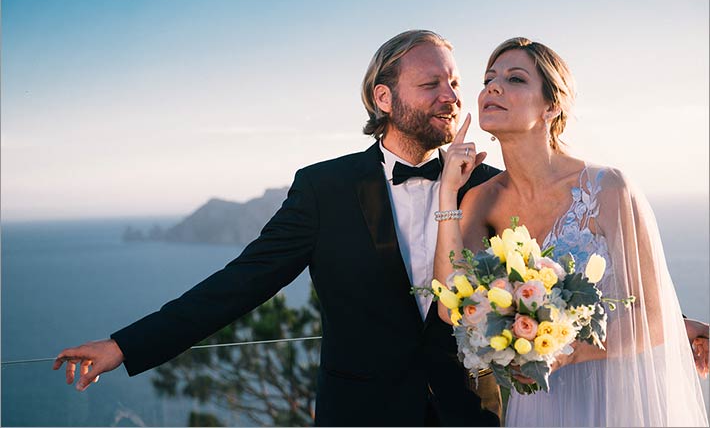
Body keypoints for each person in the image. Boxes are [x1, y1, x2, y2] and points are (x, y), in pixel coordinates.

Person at [53, 30, 503, 426]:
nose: (451, 96)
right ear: (384, 99)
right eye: (431, 84)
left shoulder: (486, 184)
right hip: (362, 414)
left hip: (468, 412)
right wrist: (125, 346)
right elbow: (240, 283)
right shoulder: (324, 188)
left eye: (455, 83)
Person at [433, 37, 709, 426]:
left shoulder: (609, 188)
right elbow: (451, 308)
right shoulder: (479, 202)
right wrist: (447, 192)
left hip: (616, 393)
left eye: (515, 79)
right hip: (540, 405)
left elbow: (654, 312)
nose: (492, 87)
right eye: (488, 78)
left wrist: (571, 352)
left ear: (552, 105)